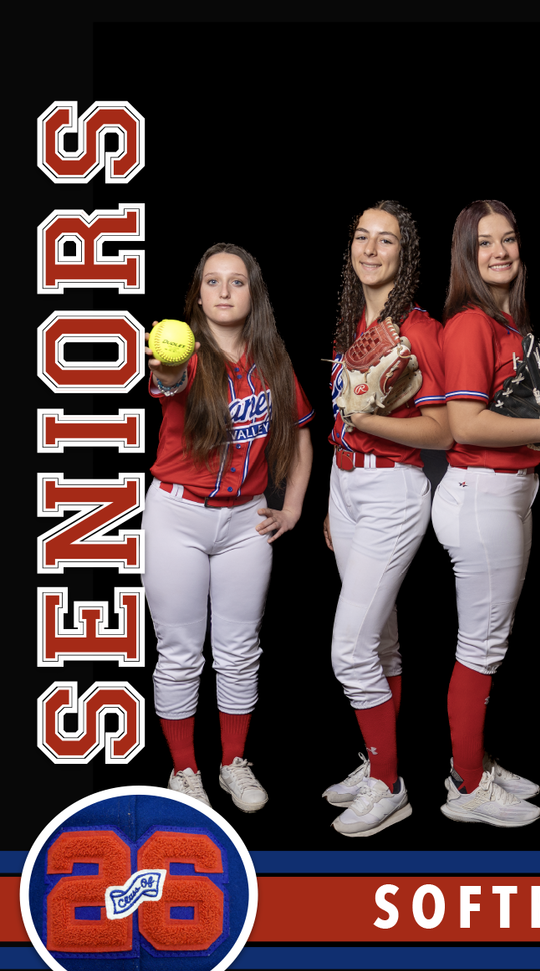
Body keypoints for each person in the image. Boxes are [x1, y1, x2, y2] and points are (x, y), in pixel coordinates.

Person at [142, 242, 314, 813]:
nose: (223, 290)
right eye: (211, 281)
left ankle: (233, 763)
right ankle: (185, 770)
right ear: (197, 295)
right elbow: (165, 380)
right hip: (178, 517)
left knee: (240, 651)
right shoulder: (185, 355)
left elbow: (303, 436)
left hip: (246, 520)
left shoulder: (273, 360)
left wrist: (290, 508)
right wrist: (164, 364)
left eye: (235, 281)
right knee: (181, 652)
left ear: (252, 294)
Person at [431, 199, 540, 828]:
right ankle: (466, 786)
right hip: (481, 494)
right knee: (480, 646)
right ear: (467, 255)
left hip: (507, 493)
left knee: (489, 642)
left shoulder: (511, 326)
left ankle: (474, 760)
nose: (500, 252)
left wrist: (535, 434)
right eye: (484, 243)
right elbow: (465, 422)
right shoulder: (469, 324)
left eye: (509, 239)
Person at [321, 200, 451, 838]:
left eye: (387, 241)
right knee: (381, 643)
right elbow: (338, 423)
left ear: (405, 256)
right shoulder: (353, 324)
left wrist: (371, 421)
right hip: (347, 490)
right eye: (362, 237)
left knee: (350, 650)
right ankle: (380, 761)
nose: (372, 250)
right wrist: (329, 498)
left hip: (395, 492)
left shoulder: (420, 329)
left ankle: (389, 786)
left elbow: (445, 430)